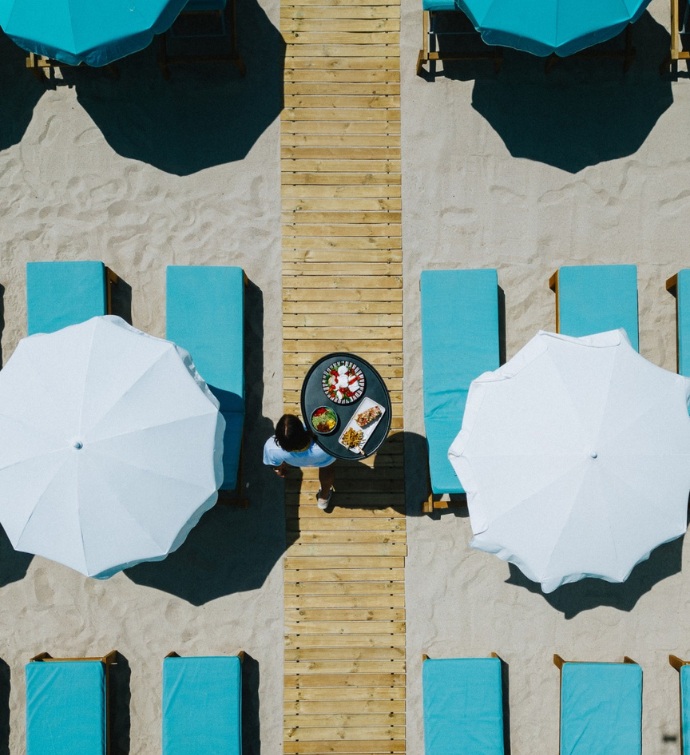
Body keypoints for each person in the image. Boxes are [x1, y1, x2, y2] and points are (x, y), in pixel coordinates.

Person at [263, 414, 336, 509]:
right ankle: (323, 498)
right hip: (322, 459)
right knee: (327, 469)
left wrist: (280, 470)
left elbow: (276, 465)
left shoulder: (271, 448)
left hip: (294, 461)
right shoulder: (326, 447)